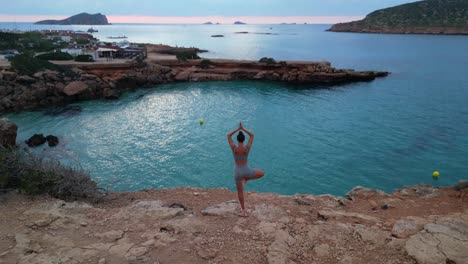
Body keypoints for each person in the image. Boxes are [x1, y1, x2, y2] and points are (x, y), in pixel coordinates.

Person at [227, 122, 265, 217]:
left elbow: (228, 135)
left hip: (237, 172)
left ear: (237, 139)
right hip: (246, 170)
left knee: (240, 192)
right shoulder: (246, 148)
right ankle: (247, 179)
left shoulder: (234, 148)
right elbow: (252, 135)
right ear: (244, 139)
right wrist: (243, 129)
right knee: (262, 173)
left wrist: (237, 129)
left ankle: (243, 211)